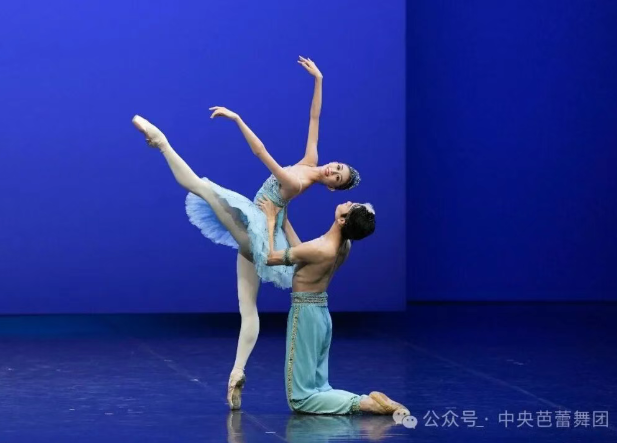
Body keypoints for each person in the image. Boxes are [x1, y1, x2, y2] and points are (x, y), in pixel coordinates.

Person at [132, 57, 362, 410]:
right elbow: (314, 118)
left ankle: (161, 142)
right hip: (259, 233)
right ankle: (237, 373)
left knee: (201, 187)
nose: (333, 170)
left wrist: (237, 119)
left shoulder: (296, 182)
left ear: (332, 188)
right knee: (248, 309)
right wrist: (319, 80)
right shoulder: (310, 160)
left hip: (257, 229)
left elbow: (261, 153)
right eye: (338, 167)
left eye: (337, 177)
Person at [258, 197, 410, 416]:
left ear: (342, 220)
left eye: (351, 206)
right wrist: (285, 222)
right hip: (321, 314)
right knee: (320, 387)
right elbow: (303, 253)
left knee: (300, 398)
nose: (348, 201)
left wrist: (271, 219)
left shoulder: (322, 248)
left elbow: (271, 258)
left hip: (305, 314)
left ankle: (365, 403)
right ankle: (365, 401)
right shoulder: (342, 245)